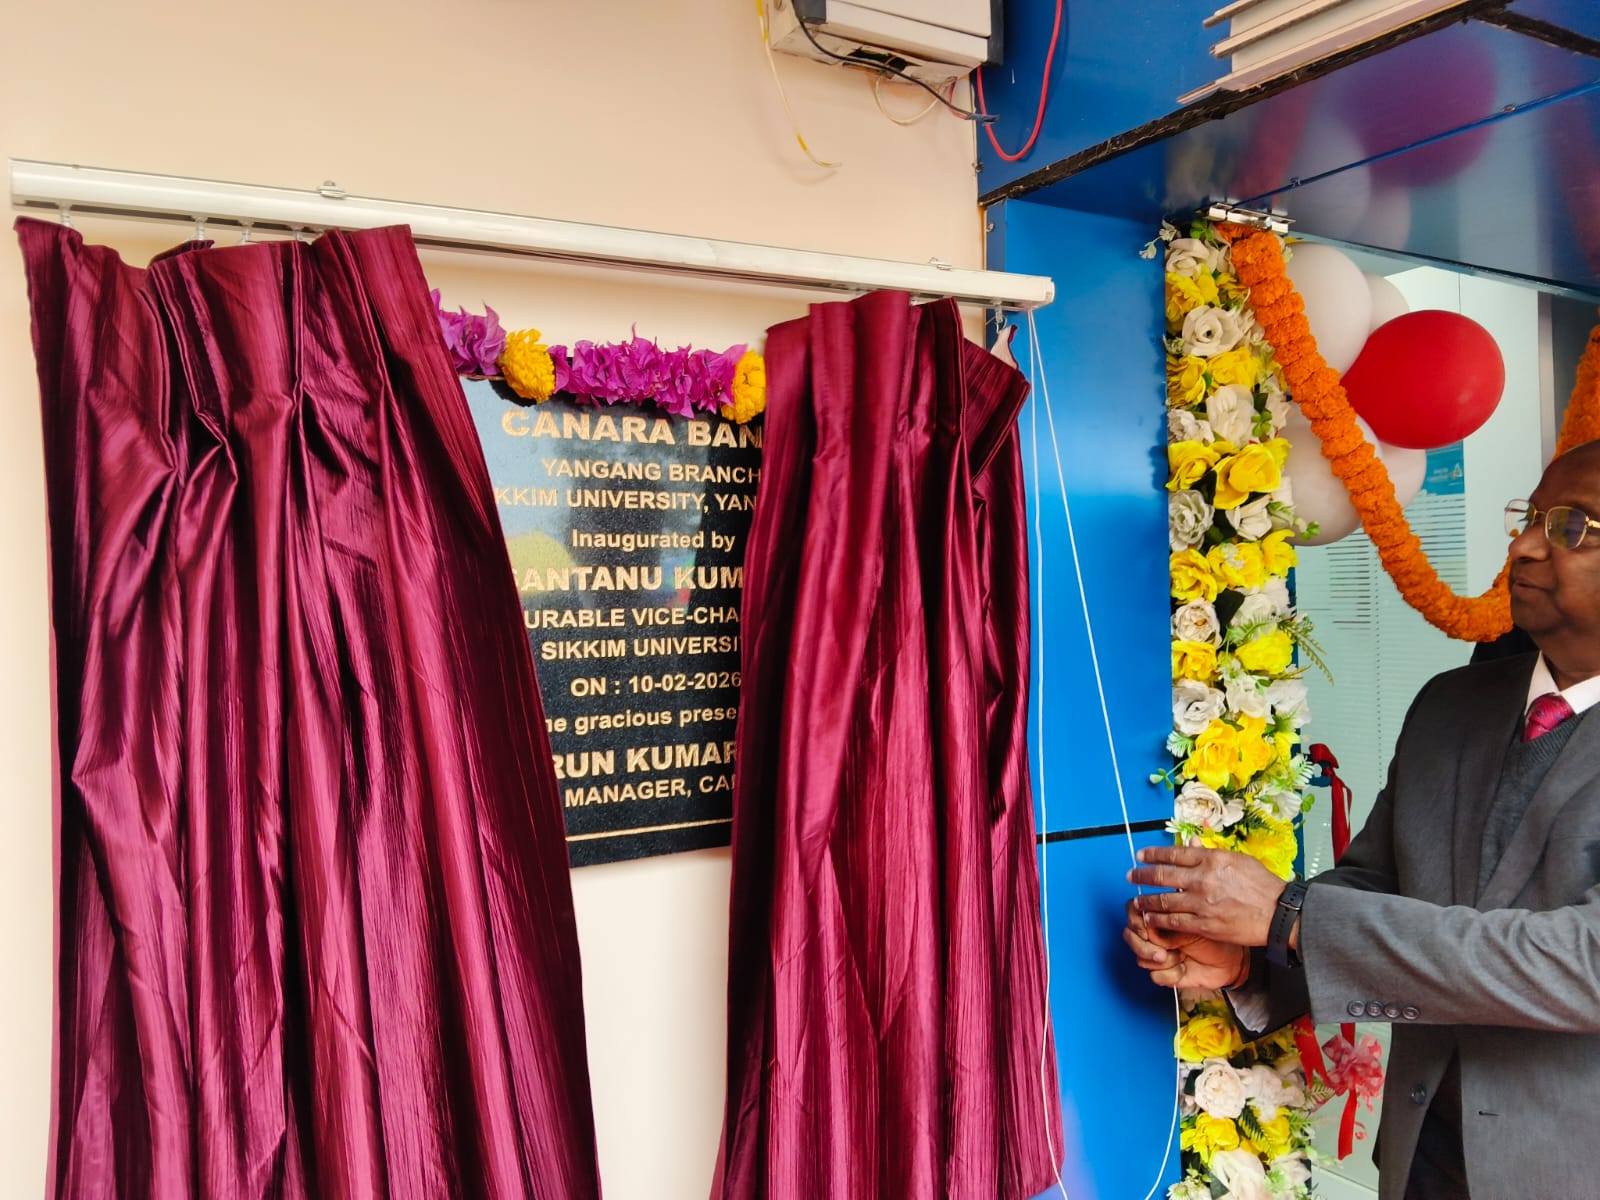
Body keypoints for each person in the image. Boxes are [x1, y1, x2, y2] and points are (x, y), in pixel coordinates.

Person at [1123, 440, 1600, 1200]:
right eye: (1530, 518)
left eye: (1572, 526)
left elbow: (1582, 964)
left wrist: (1290, 917)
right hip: (1422, 1163)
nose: (1525, 547)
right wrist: (1252, 962)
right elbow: (1374, 888)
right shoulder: (1450, 705)